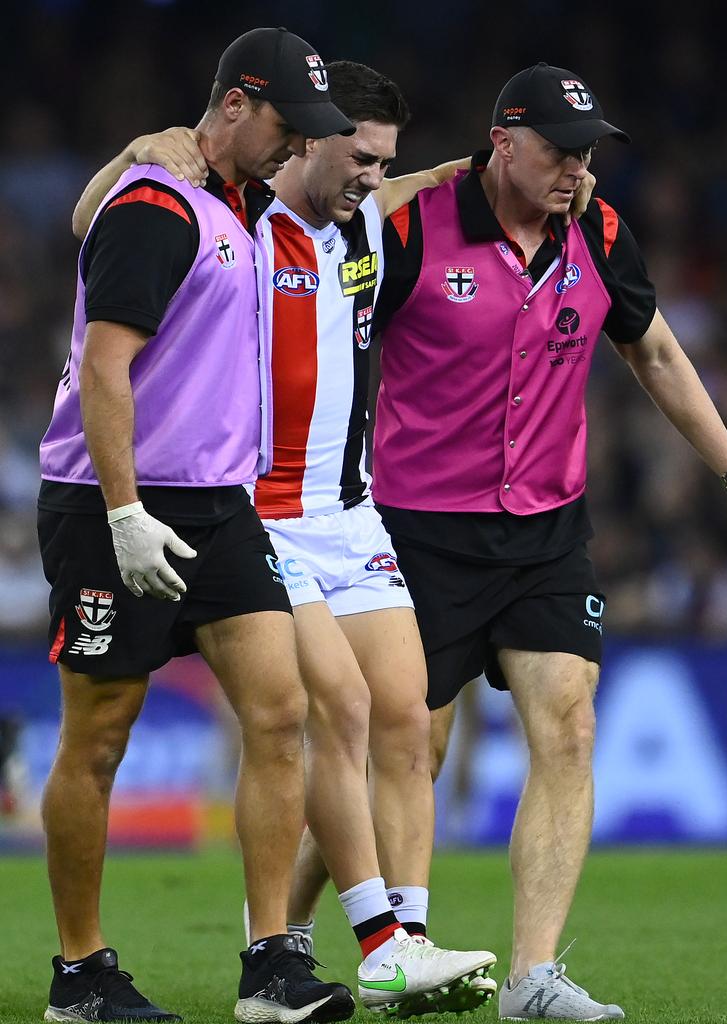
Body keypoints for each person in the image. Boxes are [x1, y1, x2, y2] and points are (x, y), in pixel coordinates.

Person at [71, 61, 503, 1018]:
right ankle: (367, 943)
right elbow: (97, 220)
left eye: (381, 161)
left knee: (406, 708)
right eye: (357, 153)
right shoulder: (240, 214)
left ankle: (409, 938)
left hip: (349, 510)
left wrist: (444, 175)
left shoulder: (364, 220)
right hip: (255, 510)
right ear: (308, 138)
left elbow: (406, 186)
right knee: (330, 710)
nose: (369, 174)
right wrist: (134, 150)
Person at [369, 63, 727, 1021]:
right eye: (557, 148)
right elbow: (323, 324)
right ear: (501, 142)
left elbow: (656, 350)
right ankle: (309, 940)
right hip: (417, 528)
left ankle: (531, 978)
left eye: (588, 150)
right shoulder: (411, 228)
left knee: (571, 722)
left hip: (547, 529)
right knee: (405, 746)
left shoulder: (599, 231)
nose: (577, 168)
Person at [38, 27, 358, 1024]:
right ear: (232, 107)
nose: (295, 147)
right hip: (111, 501)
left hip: (220, 505)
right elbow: (103, 368)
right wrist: (127, 513)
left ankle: (269, 967)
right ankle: (80, 975)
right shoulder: (158, 203)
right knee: (99, 736)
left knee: (279, 710)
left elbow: (380, 186)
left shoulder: (245, 205)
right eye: (285, 126)